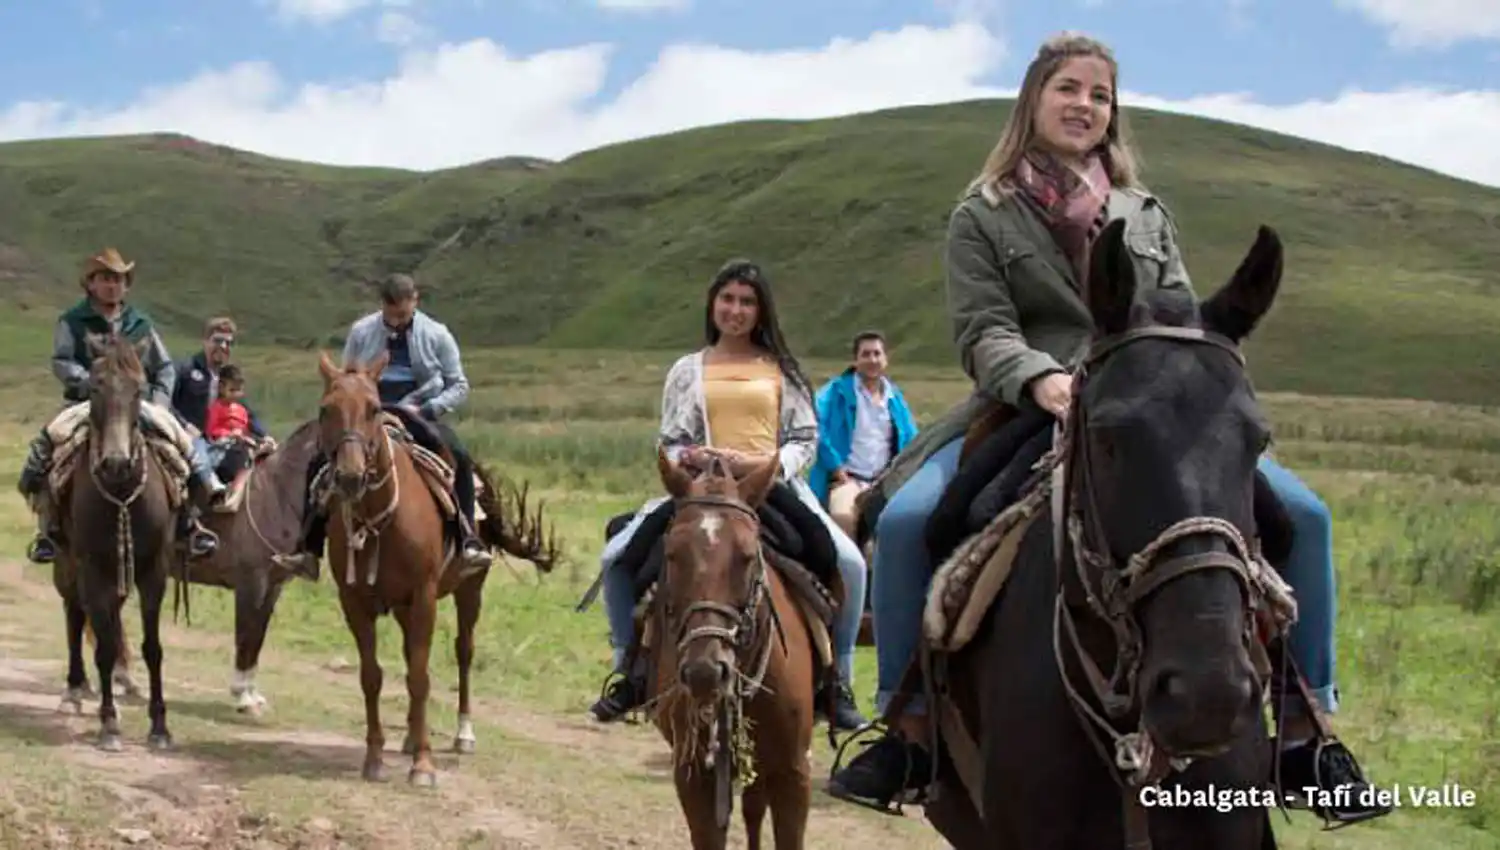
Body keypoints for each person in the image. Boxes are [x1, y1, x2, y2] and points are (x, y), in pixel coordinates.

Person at [825, 32, 1390, 826]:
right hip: (1026, 402)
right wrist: (1041, 377)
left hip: (1144, 403)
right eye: (1069, 88)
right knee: (916, 519)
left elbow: (1179, 316)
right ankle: (907, 729)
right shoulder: (982, 214)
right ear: (1034, 98)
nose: (1084, 105)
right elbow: (981, 329)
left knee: (1304, 516)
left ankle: (1306, 729)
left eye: (1100, 95)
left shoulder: (1142, 212)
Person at [588, 259, 870, 732]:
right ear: (713, 304)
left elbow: (806, 438)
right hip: (702, 489)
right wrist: (693, 456)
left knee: (850, 564)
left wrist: (763, 465)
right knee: (617, 558)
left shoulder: (784, 370)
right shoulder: (687, 370)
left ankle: (837, 680)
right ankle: (630, 668)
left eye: (746, 302)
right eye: (727, 299)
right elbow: (670, 438)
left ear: (761, 311)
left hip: (771, 487)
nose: (735, 310)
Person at [271, 272, 492, 580]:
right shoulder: (362, 331)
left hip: (418, 411)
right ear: (382, 307)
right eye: (391, 315)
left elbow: (458, 385)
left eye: (402, 314)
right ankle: (308, 549)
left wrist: (430, 408)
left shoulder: (437, 334)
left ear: (415, 301)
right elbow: (345, 377)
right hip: (366, 413)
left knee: (458, 455)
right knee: (319, 462)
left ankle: (467, 539)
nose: (397, 321)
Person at [16, 248, 224, 564]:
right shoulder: (73, 321)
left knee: (181, 445)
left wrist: (159, 403)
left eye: (118, 279)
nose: (112, 285)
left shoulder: (140, 324)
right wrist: (90, 384)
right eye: (105, 278)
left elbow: (165, 367)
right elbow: (62, 361)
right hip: (87, 401)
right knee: (51, 442)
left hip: (135, 403)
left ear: (126, 285)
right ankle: (49, 529)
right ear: (91, 283)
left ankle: (190, 524)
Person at [808, 330, 919, 540]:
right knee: (842, 516)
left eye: (877, 354)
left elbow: (911, 438)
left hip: (884, 480)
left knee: (902, 520)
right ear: (855, 359)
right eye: (866, 354)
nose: (872, 360)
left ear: (886, 359)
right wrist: (837, 469)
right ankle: (842, 573)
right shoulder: (836, 392)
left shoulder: (894, 397)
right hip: (847, 479)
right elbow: (816, 428)